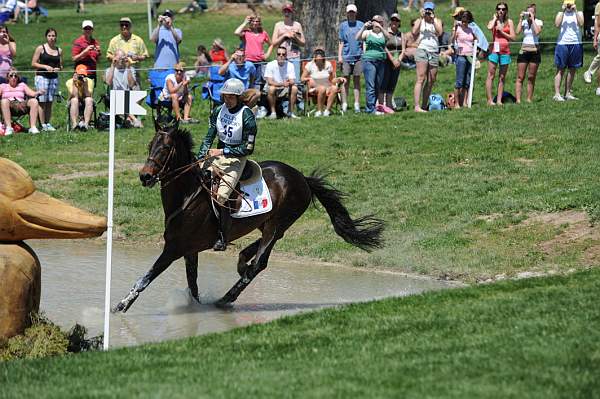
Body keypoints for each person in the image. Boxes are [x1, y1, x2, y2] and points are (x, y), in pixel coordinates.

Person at [197, 78, 257, 251]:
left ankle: (223, 236)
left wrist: (222, 152)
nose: (227, 100)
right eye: (225, 96)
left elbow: (248, 148)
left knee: (221, 196)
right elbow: (209, 136)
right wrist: (201, 156)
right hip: (217, 154)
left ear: (238, 97)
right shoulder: (218, 111)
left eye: (230, 97)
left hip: (237, 159)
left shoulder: (247, 116)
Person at [412, 2, 443, 112]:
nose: (428, 12)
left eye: (430, 10)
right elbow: (414, 32)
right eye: (426, 10)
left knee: (431, 80)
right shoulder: (420, 21)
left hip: (434, 51)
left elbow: (440, 32)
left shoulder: (437, 21)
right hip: (422, 49)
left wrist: (433, 19)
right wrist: (421, 18)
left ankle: (424, 105)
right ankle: (416, 106)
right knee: (421, 78)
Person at [356, 14, 389, 115]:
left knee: (377, 85)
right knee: (370, 85)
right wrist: (364, 27)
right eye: (374, 21)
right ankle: (370, 109)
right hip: (369, 61)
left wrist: (381, 28)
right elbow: (357, 38)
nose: (376, 23)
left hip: (381, 61)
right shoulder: (367, 32)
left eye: (378, 21)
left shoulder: (383, 33)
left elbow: (388, 37)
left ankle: (372, 107)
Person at [31, 27, 62, 132]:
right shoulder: (41, 48)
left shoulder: (59, 50)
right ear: (46, 37)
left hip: (53, 78)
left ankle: (48, 123)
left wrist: (59, 68)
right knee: (42, 101)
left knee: (49, 101)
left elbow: (60, 66)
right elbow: (33, 63)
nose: (51, 38)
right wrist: (45, 67)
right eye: (49, 36)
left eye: (53, 36)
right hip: (42, 77)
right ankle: (42, 124)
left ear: (56, 37)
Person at [486, 2, 516, 106]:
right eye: (499, 9)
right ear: (496, 10)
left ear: (506, 11)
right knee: (491, 75)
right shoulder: (493, 21)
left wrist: (502, 31)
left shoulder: (510, 22)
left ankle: (499, 100)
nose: (501, 11)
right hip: (494, 51)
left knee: (502, 77)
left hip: (505, 52)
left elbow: (513, 37)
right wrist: (495, 19)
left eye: (503, 9)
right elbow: (489, 28)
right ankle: (489, 100)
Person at [554, 0, 584, 101]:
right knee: (560, 69)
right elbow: (557, 24)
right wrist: (562, 11)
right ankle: (557, 94)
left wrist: (575, 11)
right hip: (562, 43)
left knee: (572, 69)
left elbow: (581, 24)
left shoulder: (579, 13)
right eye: (567, 4)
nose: (569, 6)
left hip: (576, 43)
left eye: (570, 4)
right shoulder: (560, 13)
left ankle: (567, 93)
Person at [301, 48, 345, 117]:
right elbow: (302, 78)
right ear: (314, 58)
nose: (318, 61)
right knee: (322, 88)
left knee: (335, 88)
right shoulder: (310, 65)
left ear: (323, 58)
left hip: (328, 87)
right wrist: (309, 79)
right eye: (317, 59)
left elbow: (332, 80)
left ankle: (327, 111)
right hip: (314, 88)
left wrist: (339, 79)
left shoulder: (328, 64)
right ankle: (319, 111)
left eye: (320, 59)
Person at [107, 17, 149, 88]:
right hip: (118, 70)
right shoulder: (114, 40)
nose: (124, 27)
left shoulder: (138, 40)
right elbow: (108, 56)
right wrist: (117, 58)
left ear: (130, 26)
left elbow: (145, 55)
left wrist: (137, 57)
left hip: (134, 70)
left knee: (136, 94)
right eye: (122, 25)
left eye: (126, 25)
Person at [105, 49, 142, 128]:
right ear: (115, 58)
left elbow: (132, 84)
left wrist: (128, 67)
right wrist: (112, 65)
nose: (121, 60)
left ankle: (129, 118)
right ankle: (134, 119)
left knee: (138, 91)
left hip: (128, 95)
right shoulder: (109, 70)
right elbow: (108, 82)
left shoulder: (131, 69)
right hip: (114, 96)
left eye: (123, 57)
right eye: (119, 58)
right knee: (122, 98)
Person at [338, 4, 364, 113]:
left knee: (357, 80)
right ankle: (344, 103)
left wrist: (364, 54)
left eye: (353, 12)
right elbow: (341, 42)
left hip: (358, 56)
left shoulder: (360, 24)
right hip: (346, 56)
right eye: (349, 12)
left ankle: (356, 104)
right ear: (347, 13)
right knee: (345, 81)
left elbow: (363, 41)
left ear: (356, 13)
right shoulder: (343, 25)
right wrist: (339, 55)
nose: (351, 14)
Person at [0, 68, 42, 135]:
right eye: (11, 76)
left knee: (34, 101)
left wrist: (39, 92)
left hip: (21, 105)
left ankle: (33, 127)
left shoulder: (22, 85)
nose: (13, 77)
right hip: (9, 106)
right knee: (4, 101)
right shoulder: (3, 86)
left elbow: (32, 94)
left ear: (18, 78)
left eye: (15, 76)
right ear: (7, 77)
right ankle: (9, 128)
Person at [515, 4, 543, 104]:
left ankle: (529, 99)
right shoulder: (523, 22)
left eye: (531, 12)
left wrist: (533, 20)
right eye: (528, 12)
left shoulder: (538, 22)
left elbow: (537, 32)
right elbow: (517, 32)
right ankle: (518, 100)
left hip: (535, 51)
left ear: (534, 13)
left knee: (531, 77)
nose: (529, 14)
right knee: (520, 77)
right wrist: (520, 19)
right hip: (524, 51)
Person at [234, 15, 271, 89]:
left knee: (258, 82)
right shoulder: (246, 32)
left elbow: (271, 44)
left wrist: (267, 55)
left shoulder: (263, 33)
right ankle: (247, 97)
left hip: (259, 61)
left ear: (259, 23)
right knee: (248, 80)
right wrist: (245, 22)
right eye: (253, 21)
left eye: (257, 21)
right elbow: (236, 32)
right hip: (248, 61)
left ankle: (256, 98)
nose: (255, 23)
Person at [270, 3, 305, 83]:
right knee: (281, 79)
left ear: (292, 12)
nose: (287, 13)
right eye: (285, 11)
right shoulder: (278, 25)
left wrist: (295, 36)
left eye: (289, 11)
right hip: (282, 56)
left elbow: (303, 43)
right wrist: (284, 35)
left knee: (295, 80)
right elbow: (273, 43)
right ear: (282, 12)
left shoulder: (297, 25)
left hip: (295, 56)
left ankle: (297, 95)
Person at [264, 46, 298, 119]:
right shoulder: (270, 64)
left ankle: (290, 112)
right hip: (274, 87)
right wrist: (283, 84)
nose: (281, 56)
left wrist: (290, 82)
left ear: (286, 56)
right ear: (276, 55)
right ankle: (273, 113)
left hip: (285, 88)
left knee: (294, 88)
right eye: (279, 54)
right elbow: (269, 81)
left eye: (283, 54)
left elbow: (292, 80)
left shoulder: (290, 65)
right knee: (271, 88)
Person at [451, 10, 475, 108]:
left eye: (466, 20)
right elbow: (452, 40)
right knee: (459, 81)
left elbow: (476, 39)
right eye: (463, 20)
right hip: (461, 56)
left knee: (467, 81)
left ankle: (464, 102)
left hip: (470, 56)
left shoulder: (471, 29)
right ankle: (457, 103)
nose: (464, 22)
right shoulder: (458, 29)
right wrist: (455, 29)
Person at [382, 13, 405, 111]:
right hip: (387, 61)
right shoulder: (386, 33)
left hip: (397, 62)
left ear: (399, 22)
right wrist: (392, 59)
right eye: (393, 20)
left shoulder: (401, 34)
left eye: (397, 20)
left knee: (392, 83)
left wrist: (399, 60)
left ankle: (389, 104)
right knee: (384, 83)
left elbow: (403, 49)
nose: (394, 22)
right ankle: (382, 105)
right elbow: (384, 46)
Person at [72, 20, 101, 85]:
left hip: (92, 73)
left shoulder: (95, 42)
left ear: (92, 30)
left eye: (89, 28)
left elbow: (98, 61)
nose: (88, 30)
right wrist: (85, 51)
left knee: (90, 93)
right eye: (86, 28)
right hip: (81, 73)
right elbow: (74, 58)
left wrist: (98, 53)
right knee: (81, 94)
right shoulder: (78, 42)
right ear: (82, 30)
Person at [66, 64, 94, 131]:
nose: (82, 77)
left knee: (89, 100)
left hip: (85, 98)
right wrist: (74, 82)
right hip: (74, 99)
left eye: (84, 75)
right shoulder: (69, 82)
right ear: (76, 73)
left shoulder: (89, 81)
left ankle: (86, 124)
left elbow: (88, 95)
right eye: (80, 75)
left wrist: (85, 84)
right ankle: (75, 124)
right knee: (74, 100)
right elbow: (74, 95)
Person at [583, 0, 600, 95]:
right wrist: (595, 38)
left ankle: (589, 72)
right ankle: (589, 72)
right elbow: (597, 23)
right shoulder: (599, 5)